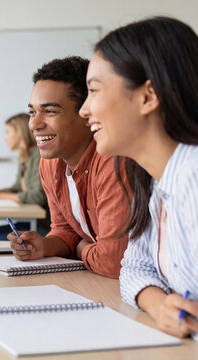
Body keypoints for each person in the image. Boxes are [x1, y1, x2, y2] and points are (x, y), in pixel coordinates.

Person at [79, 17, 198, 338]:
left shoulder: (193, 177)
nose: (84, 110)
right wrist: (160, 306)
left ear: (147, 96)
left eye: (93, 91)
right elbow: (134, 267)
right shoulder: (155, 181)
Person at [8, 56, 130, 279]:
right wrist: (44, 246)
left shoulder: (112, 160)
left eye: (50, 111)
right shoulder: (49, 163)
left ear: (86, 114)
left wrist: (81, 248)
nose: (34, 124)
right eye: (32, 112)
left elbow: (113, 262)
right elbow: (66, 230)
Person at [0, 113, 49, 239]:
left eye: (7, 132)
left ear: (20, 133)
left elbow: (37, 197)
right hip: (29, 221)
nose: (5, 138)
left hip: (43, 225)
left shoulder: (39, 156)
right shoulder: (25, 157)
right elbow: (17, 187)